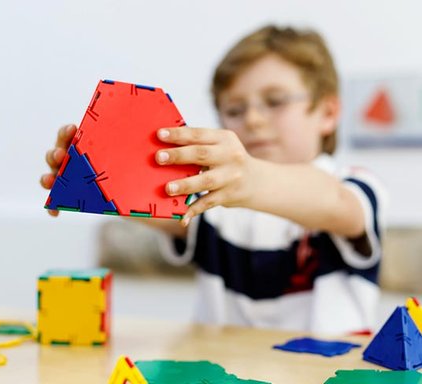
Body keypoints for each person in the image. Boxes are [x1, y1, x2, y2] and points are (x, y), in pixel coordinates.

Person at [40, 25, 385, 335]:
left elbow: (337, 204)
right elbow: (154, 199)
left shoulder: (353, 185)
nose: (252, 119)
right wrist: (96, 175)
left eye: (275, 101)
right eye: (234, 110)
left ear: (328, 113)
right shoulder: (208, 198)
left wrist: (249, 178)